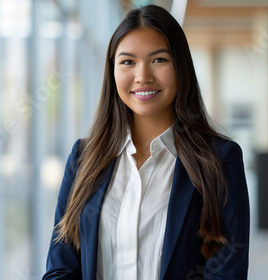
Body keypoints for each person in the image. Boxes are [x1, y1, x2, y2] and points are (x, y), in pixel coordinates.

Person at [42, 4, 249, 280]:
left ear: (181, 67)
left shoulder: (219, 160)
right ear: (112, 71)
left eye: (159, 60)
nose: (143, 76)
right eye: (128, 62)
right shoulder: (83, 158)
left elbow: (226, 273)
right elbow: (60, 268)